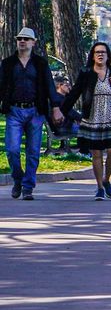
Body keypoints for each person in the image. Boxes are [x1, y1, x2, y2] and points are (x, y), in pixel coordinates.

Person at [60, 42, 111, 200]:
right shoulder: (86, 73)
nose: (100, 54)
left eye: (103, 52)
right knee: (96, 154)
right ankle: (99, 187)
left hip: (110, 118)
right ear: (92, 55)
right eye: (97, 52)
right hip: (93, 117)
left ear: (108, 55)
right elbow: (75, 92)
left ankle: (107, 179)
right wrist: (61, 110)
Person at [3, 27, 62, 202]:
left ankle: (28, 187)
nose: (22, 41)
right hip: (14, 110)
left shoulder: (40, 63)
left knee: (33, 151)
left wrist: (56, 107)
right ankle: (18, 178)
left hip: (36, 111)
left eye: (26, 39)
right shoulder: (7, 63)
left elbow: (50, 86)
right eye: (20, 38)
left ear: (33, 42)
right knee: (12, 149)